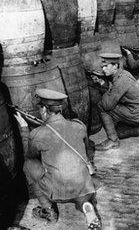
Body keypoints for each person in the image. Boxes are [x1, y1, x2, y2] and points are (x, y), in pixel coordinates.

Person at [14, 88, 101, 230]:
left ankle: (48, 211)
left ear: (43, 110)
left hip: (58, 193)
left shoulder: (38, 134)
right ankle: (86, 205)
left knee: (28, 165)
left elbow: (29, 155)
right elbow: (85, 149)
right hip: (84, 187)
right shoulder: (78, 126)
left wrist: (24, 128)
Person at [95, 53, 139, 151]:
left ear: (115, 66)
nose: (103, 69)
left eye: (106, 66)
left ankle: (112, 140)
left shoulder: (120, 82)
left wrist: (102, 85)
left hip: (136, 114)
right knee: (119, 132)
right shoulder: (124, 73)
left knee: (101, 106)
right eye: (103, 67)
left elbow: (107, 105)